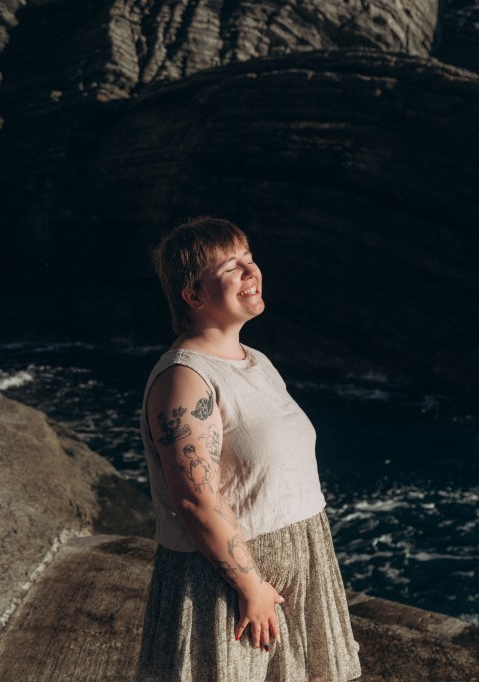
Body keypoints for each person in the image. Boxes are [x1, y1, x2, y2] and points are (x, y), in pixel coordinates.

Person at [136, 216, 362, 681]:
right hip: (227, 586)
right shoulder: (185, 379)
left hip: (299, 561)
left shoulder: (255, 361)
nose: (250, 271)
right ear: (193, 295)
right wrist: (251, 586)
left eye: (249, 259)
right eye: (230, 268)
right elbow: (195, 500)